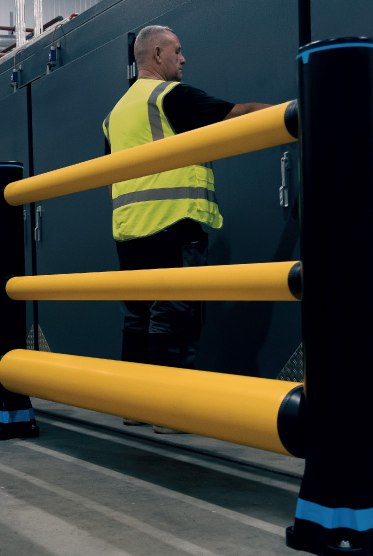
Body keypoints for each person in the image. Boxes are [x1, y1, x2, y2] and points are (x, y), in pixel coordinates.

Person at [102, 25, 271, 433]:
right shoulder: (169, 97)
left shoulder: (114, 116)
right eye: (178, 51)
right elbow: (241, 115)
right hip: (173, 224)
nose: (183, 59)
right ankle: (169, 410)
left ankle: (136, 406)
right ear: (157, 54)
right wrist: (300, 111)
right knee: (174, 316)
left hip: (130, 232)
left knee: (138, 318)